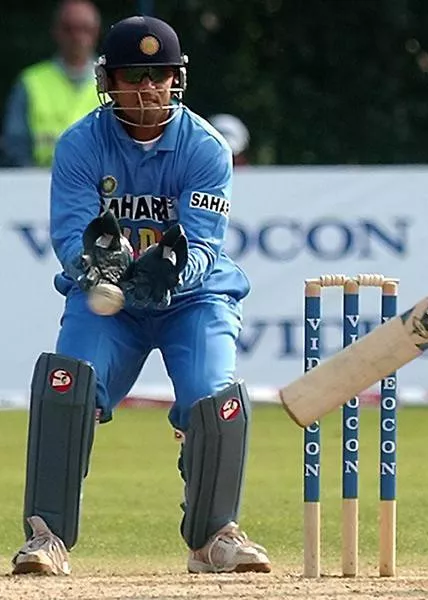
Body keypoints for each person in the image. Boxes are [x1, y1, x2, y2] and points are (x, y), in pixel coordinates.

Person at [11, 15, 271, 576]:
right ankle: (47, 535)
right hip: (110, 303)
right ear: (110, 81)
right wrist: (100, 267)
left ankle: (215, 537)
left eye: (160, 75)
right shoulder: (81, 143)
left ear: (177, 79)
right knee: (69, 381)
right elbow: (72, 234)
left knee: (212, 396)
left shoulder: (205, 148)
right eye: (134, 75)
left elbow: (203, 243)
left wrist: (172, 271)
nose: (147, 87)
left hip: (192, 301)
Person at [2, 0, 101, 167]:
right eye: (69, 29)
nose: (77, 37)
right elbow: (15, 145)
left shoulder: (115, 82)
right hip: (37, 182)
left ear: (96, 32)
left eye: (85, 29)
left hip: (100, 183)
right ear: (56, 31)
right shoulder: (30, 81)